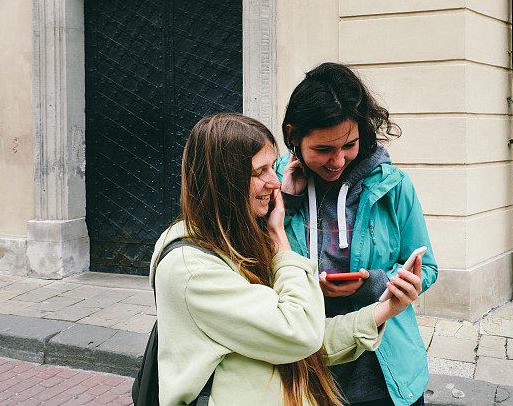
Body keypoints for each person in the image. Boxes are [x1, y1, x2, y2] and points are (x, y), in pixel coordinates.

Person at [151, 113, 423, 406]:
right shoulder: (192, 269)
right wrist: (281, 239)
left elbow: (306, 338)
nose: (275, 182)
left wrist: (385, 309)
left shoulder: (236, 243)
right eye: (260, 172)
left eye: (273, 167)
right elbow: (300, 332)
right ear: (223, 182)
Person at [277, 63, 438, 406]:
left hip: (384, 368)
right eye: (323, 150)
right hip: (305, 366)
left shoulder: (393, 186)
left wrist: (376, 283)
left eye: (349, 145)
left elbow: (428, 268)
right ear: (293, 135)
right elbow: (253, 262)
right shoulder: (271, 185)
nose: (337, 161)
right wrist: (287, 203)